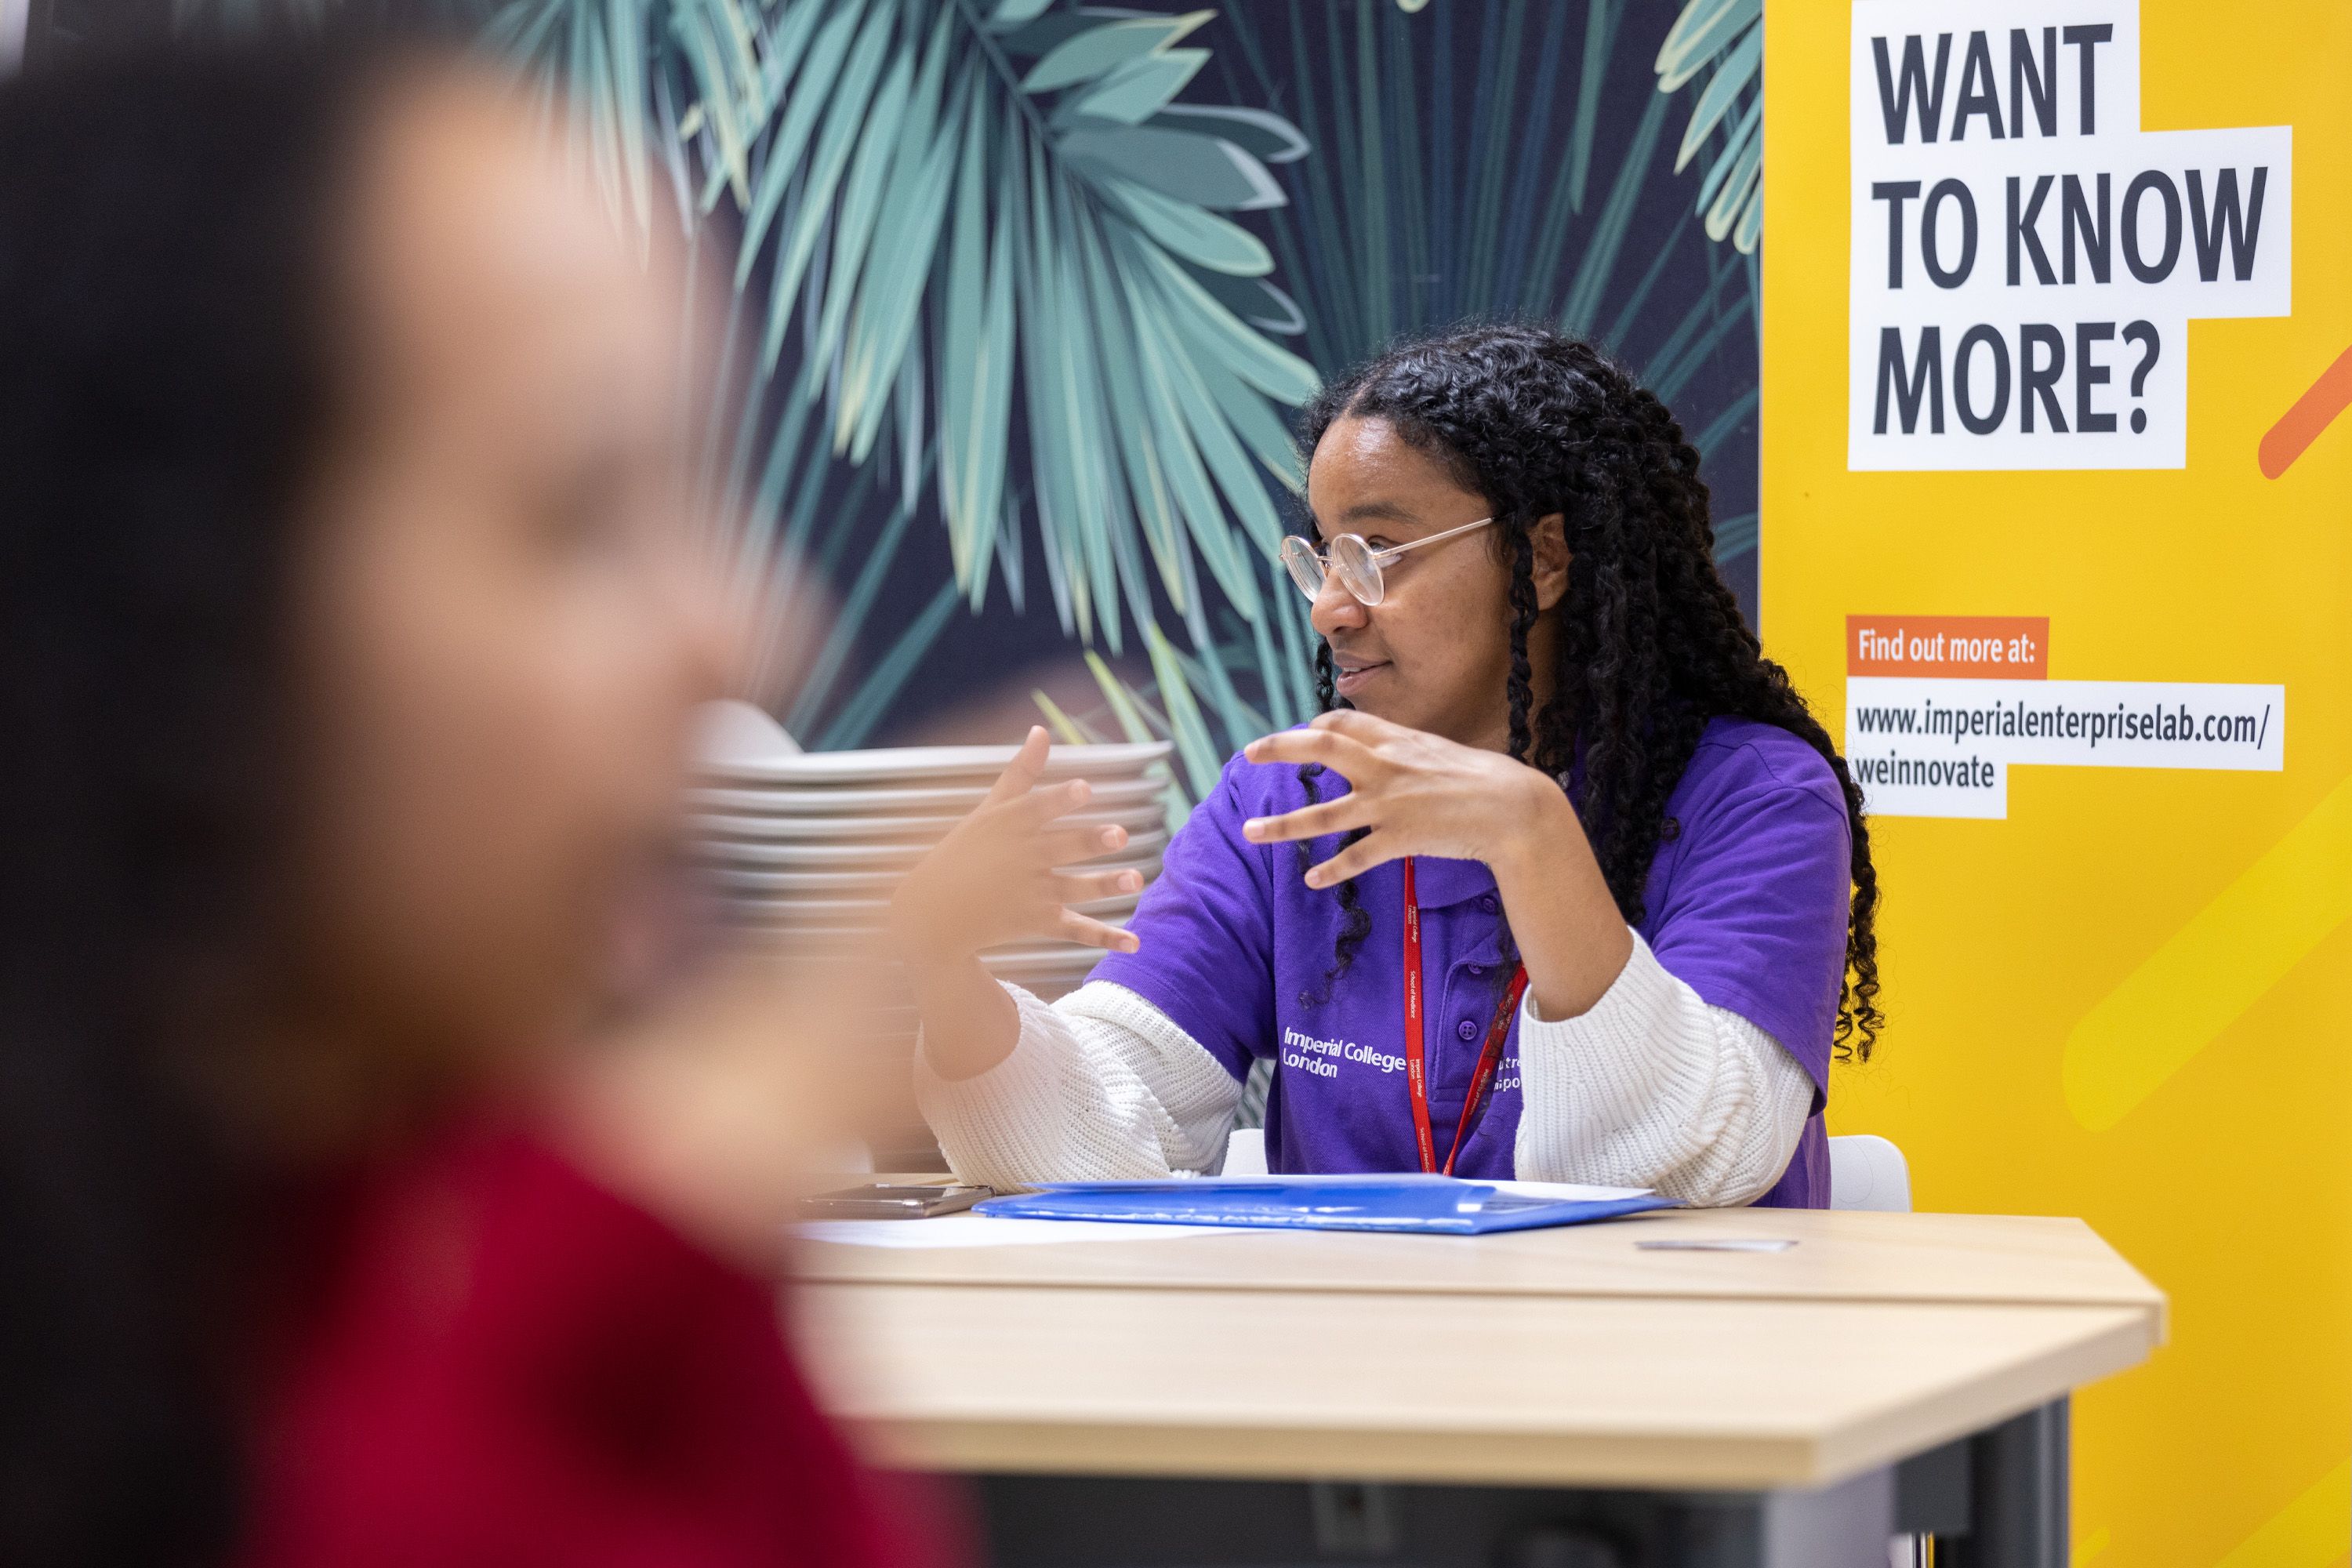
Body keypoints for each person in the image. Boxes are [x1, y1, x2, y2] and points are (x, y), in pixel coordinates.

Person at [0, 43, 948, 1568]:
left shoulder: (571, 1266)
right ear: (178, 598)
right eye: (582, 512)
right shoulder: (580, 1304)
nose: (753, 633)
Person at [897, 325, 1881, 1209]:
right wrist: (948, 970)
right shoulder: (1285, 799)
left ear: (1541, 559)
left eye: (1378, 552)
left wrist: (1532, 837)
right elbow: (1107, 1125)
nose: (1331, 605)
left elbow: (1702, 1165)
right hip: (1351, 1377)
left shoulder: (1754, 797)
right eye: (1323, 555)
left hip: (1674, 1387)